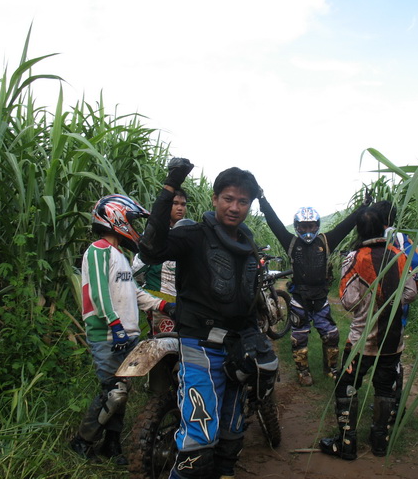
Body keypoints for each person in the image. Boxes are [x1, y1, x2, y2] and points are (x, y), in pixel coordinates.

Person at [139, 159, 276, 479]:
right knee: (198, 445)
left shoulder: (247, 243)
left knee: (232, 432)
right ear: (214, 199)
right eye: (228, 198)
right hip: (200, 345)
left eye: (243, 201)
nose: (235, 207)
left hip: (237, 346)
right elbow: (151, 249)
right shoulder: (193, 236)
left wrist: (254, 338)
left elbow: (247, 296)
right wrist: (170, 186)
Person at [70, 194, 175, 465]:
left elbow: (135, 292)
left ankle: (112, 444)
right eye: (131, 220)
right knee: (113, 392)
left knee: (122, 392)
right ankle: (82, 441)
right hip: (107, 334)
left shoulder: (120, 256)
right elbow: (98, 292)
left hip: (126, 334)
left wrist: (165, 305)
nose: (133, 226)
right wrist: (114, 325)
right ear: (116, 218)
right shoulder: (98, 250)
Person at [319, 208, 418, 460]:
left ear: (359, 231)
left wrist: (368, 302)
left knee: (346, 386)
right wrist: (390, 300)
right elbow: (411, 293)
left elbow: (348, 301)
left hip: (362, 339)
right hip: (393, 339)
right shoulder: (399, 255)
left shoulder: (354, 258)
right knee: (385, 388)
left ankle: (347, 442)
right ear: (384, 227)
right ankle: (380, 441)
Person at [258, 191, 371, 386]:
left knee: (331, 335)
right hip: (299, 299)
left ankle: (331, 368)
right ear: (297, 227)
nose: (307, 230)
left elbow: (345, 226)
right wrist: (262, 200)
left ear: (317, 225)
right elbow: (274, 223)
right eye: (303, 226)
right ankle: (303, 372)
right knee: (299, 338)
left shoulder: (326, 241)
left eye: (311, 226)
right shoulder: (291, 242)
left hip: (320, 299)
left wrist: (363, 207)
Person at [370, 200, 418, 422]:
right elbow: (417, 273)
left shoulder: (376, 241)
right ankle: (392, 404)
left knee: (380, 357)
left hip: (377, 311)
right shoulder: (407, 241)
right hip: (401, 308)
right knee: (393, 355)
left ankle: (388, 405)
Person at [132, 189, 188, 333]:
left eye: (183, 204)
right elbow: (137, 270)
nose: (180, 208)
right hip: (158, 302)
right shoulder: (154, 235)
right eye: (175, 203)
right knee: (161, 341)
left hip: (181, 303)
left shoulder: (188, 236)